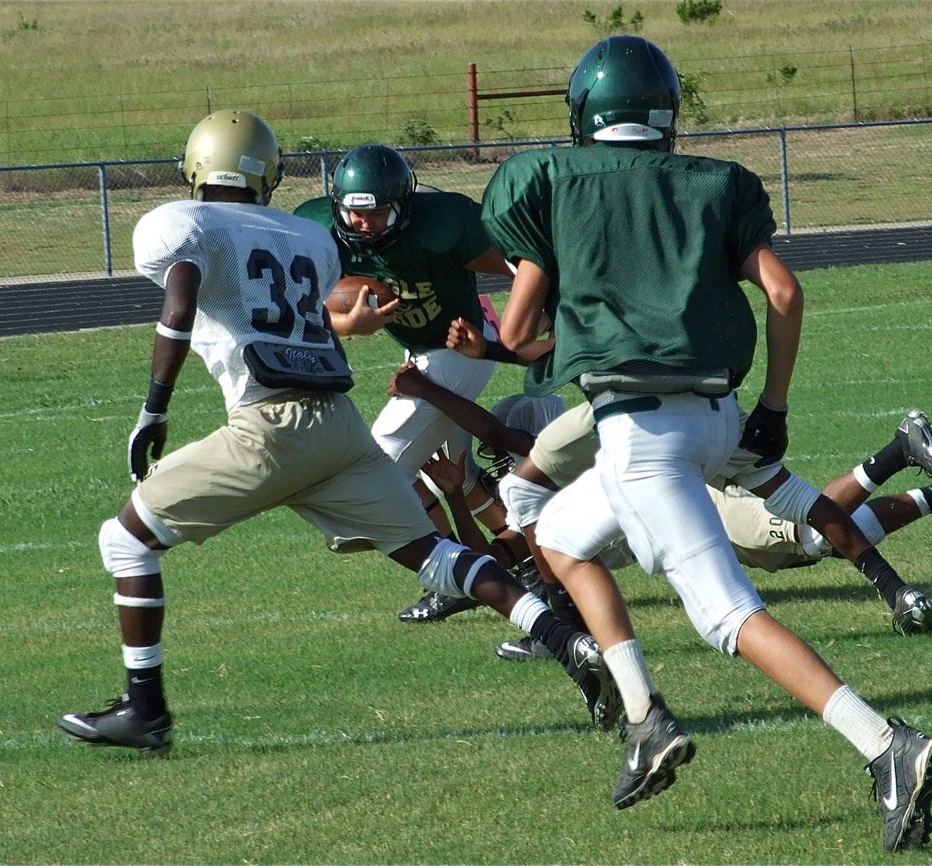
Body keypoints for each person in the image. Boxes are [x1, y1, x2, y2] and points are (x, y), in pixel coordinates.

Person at [479, 36, 932, 852]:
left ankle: (887, 746)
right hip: (717, 413)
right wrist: (772, 406)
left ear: (586, 110)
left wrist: (542, 326)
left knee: (728, 615)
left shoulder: (550, 178)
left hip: (638, 431)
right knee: (558, 535)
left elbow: (519, 330)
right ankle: (644, 717)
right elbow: (784, 289)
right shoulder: (716, 181)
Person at [54, 110, 621, 758]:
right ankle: (567, 643)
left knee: (123, 542)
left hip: (269, 428)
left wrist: (154, 409)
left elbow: (179, 305)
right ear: (268, 171)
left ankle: (145, 712)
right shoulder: (306, 237)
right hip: (339, 429)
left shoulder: (184, 223)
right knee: (434, 560)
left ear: (195, 166)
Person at [388, 359, 932, 659]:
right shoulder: (538, 495)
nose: (505, 476)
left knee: (802, 536)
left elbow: (507, 463)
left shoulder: (556, 454)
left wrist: (431, 399)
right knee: (806, 544)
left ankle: (899, 451)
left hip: (694, 494)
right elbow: (488, 559)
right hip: (686, 477)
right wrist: (453, 496)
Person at [294, 144, 549, 624]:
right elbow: (299, 293)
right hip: (423, 352)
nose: (362, 224)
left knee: (373, 477)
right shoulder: (319, 228)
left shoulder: (445, 222)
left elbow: (526, 264)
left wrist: (536, 318)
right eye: (353, 212)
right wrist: (350, 325)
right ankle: (528, 564)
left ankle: (455, 575)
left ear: (403, 205)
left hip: (462, 346)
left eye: (375, 213)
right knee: (451, 472)